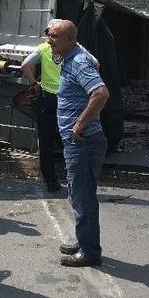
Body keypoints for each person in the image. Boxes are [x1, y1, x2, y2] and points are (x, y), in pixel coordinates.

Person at [46, 19, 110, 267]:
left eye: (54, 36)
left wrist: (79, 124)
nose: (49, 40)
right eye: (49, 35)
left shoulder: (79, 61)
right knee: (77, 193)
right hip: (77, 141)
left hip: (83, 141)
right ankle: (85, 242)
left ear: (70, 39)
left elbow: (101, 93)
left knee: (83, 197)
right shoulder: (73, 58)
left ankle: (90, 252)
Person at [22, 19, 99, 193]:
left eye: (52, 35)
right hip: (69, 101)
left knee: (46, 141)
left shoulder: (43, 49)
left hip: (48, 99)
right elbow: (96, 63)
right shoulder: (77, 50)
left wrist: (34, 83)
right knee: (71, 139)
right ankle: (74, 178)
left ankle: (51, 181)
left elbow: (25, 64)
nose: (49, 39)